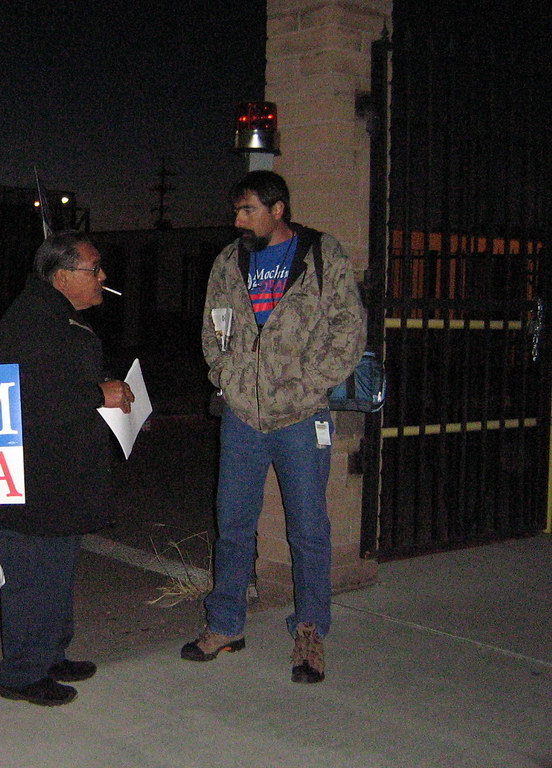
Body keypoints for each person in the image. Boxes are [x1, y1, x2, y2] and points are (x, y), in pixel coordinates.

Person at [180, 170, 366, 684]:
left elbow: (349, 327)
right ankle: (225, 624)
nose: (239, 220)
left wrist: (311, 383)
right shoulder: (229, 261)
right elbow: (212, 326)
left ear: (277, 209)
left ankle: (310, 632)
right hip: (242, 415)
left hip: (301, 416)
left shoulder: (321, 254)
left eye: (249, 211)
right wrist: (226, 375)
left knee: (308, 529)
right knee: (234, 524)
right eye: (236, 211)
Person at [0, 231, 134, 706]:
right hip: (37, 475)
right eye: (94, 268)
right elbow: (30, 398)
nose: (102, 276)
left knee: (55, 571)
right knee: (31, 576)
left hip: (62, 472)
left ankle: (50, 655)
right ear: (62, 275)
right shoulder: (32, 320)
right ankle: (21, 673)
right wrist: (97, 394)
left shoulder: (57, 314)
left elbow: (63, 376)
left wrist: (107, 388)